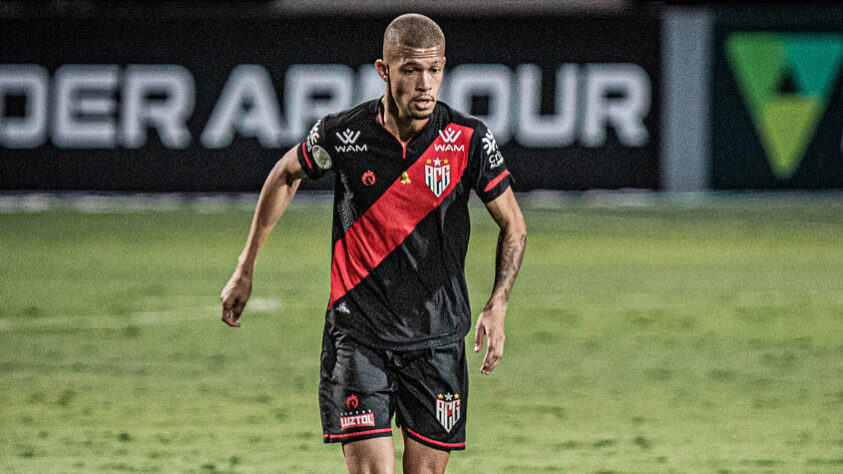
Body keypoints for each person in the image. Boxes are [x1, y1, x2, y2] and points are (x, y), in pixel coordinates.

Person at [220, 13, 526, 474]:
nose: (425, 84)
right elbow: (286, 173)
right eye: (410, 70)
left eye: (434, 70)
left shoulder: (467, 140)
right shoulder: (344, 135)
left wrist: (497, 304)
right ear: (384, 71)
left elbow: (514, 226)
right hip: (359, 335)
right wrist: (246, 266)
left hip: (437, 340)